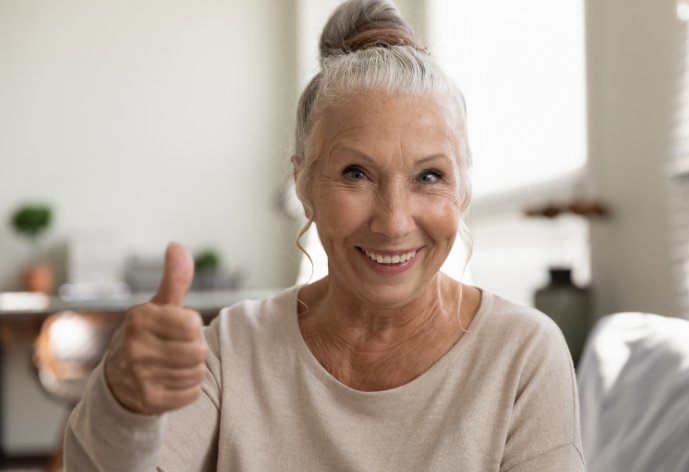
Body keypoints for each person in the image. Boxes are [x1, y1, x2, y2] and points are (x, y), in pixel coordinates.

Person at [64, 0, 586, 470]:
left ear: (464, 189)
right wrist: (126, 406)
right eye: (356, 173)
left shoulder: (522, 354)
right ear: (303, 184)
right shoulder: (232, 348)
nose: (394, 222)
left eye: (429, 176)